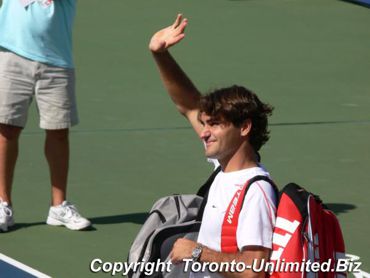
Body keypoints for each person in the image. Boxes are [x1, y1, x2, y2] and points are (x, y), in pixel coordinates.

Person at [149, 15, 276, 277]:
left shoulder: (255, 192)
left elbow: (255, 270)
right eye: (205, 124)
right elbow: (189, 105)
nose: (204, 133)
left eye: (215, 124)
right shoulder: (224, 167)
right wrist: (160, 55)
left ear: (244, 127)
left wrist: (197, 252)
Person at [0, 0, 91, 232]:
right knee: (6, 129)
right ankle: (3, 204)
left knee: (59, 132)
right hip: (11, 54)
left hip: (57, 61)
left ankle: (58, 207)